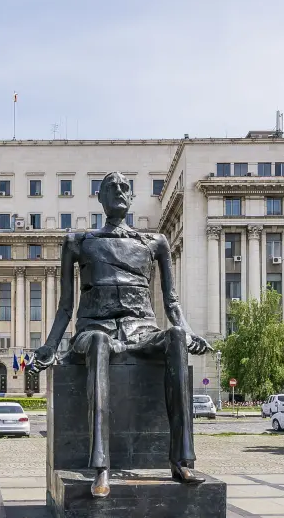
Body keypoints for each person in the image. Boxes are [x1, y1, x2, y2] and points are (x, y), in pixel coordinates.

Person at [27, 172, 210, 498]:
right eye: (112, 188)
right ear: (101, 197)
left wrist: (189, 332)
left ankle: (182, 460)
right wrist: (50, 346)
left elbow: (171, 301)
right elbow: (66, 305)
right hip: (94, 328)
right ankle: (101, 467)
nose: (120, 192)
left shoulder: (155, 243)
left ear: (131, 197)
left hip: (141, 329)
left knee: (176, 338)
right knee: (98, 343)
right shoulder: (80, 242)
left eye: (125, 188)